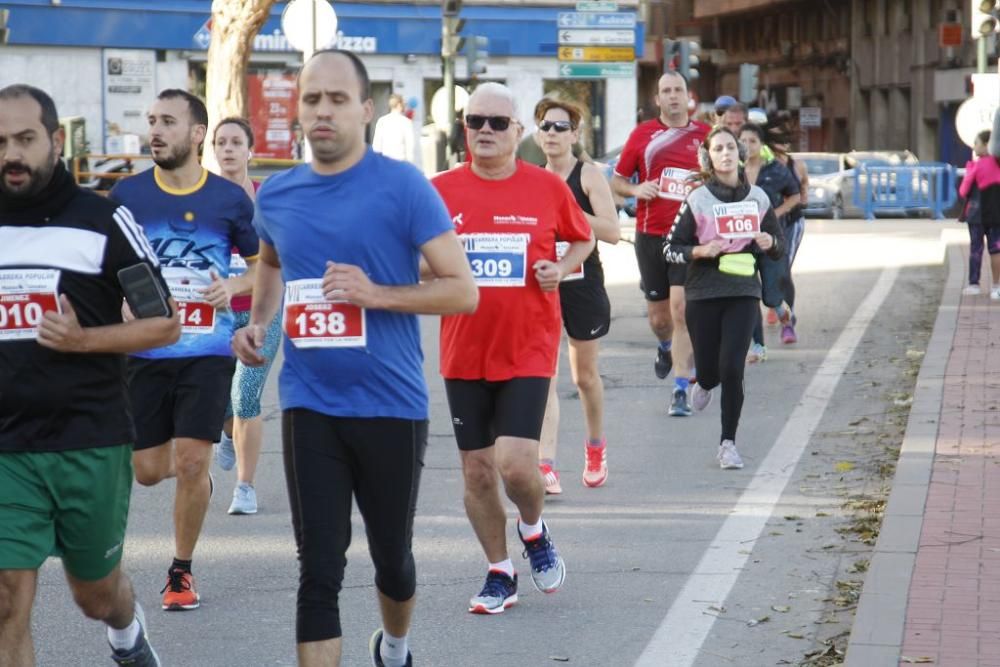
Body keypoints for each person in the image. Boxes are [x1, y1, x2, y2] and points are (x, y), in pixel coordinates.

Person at [232, 50, 477, 667]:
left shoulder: (403, 188)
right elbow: (271, 261)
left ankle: (394, 647)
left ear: (366, 110)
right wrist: (259, 324)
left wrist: (376, 294)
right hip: (311, 405)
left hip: (392, 406)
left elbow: (462, 290)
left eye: (337, 100)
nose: (322, 111)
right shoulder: (279, 195)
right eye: (312, 98)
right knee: (318, 568)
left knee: (392, 558)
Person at [0, 84, 179, 666]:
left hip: (90, 439)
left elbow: (164, 326)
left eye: (25, 139)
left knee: (95, 595)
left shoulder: (104, 220)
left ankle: (126, 632)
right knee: (6, 602)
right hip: (7, 444)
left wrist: (83, 341)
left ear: (55, 141)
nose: (12, 154)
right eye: (0, 142)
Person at [432, 82, 594, 614]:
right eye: (475, 121)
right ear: (464, 128)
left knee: (517, 464)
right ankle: (500, 572)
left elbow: (583, 239)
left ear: (517, 132)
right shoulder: (439, 192)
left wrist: (561, 267)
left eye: (497, 123)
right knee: (477, 470)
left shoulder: (546, 188)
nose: (485, 130)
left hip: (528, 345)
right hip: (463, 351)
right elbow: (413, 258)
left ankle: (533, 528)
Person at [109, 89, 259, 611]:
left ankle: (181, 571)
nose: (155, 130)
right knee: (150, 469)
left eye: (167, 122)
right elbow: (103, 270)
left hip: (207, 351)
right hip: (146, 352)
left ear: (197, 134)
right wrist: (119, 310)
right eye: (151, 120)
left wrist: (234, 288)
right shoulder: (126, 195)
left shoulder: (228, 199)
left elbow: (265, 265)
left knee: (193, 459)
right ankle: (196, 481)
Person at [663, 126, 784, 469]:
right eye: (718, 148)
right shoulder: (698, 199)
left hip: (743, 290)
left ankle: (727, 443)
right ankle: (703, 380)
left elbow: (779, 248)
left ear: (741, 154)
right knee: (712, 370)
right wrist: (699, 250)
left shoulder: (758, 198)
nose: (727, 153)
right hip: (702, 292)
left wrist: (769, 243)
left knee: (733, 367)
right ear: (709, 157)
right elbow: (669, 249)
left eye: (732, 147)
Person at [533, 97, 620, 493]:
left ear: (574, 134)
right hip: (544, 284)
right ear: (536, 134)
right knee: (544, 376)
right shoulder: (532, 179)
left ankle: (596, 446)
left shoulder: (588, 175)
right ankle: (546, 465)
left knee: (583, 377)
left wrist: (567, 209)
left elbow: (612, 231)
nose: (552, 134)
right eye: (545, 127)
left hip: (582, 283)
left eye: (560, 127)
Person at [612, 71, 710, 417]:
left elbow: (723, 178)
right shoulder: (642, 135)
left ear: (688, 97)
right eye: (665, 91)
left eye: (678, 90)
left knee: (681, 310)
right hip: (650, 234)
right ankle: (665, 346)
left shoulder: (705, 136)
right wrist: (636, 190)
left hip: (688, 236)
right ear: (657, 99)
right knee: (659, 317)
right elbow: (618, 181)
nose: (672, 96)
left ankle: (680, 389)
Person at [210, 117, 281, 515]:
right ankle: (227, 434)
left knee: (245, 394)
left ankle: (245, 487)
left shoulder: (265, 200)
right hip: (216, 315)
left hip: (261, 312)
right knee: (219, 401)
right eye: (222, 142)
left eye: (237, 141)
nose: (229, 148)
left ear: (249, 151)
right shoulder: (201, 199)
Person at [738, 123, 799, 362]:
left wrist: (778, 212)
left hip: (771, 239)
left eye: (752, 141)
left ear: (761, 144)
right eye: (743, 140)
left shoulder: (775, 169)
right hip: (743, 242)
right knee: (751, 293)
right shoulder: (733, 171)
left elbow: (794, 195)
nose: (747, 145)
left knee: (772, 294)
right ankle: (758, 345)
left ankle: (785, 316)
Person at [958, 129, 1000, 298]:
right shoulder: (998, 163)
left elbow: (963, 191)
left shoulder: (978, 165)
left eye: (976, 143)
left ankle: (974, 284)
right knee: (996, 249)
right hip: (997, 214)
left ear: (985, 145)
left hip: (977, 215)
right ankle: (996, 287)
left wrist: (969, 171)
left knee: (976, 248)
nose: (974, 146)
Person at [372, 93, 416, 164]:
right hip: (400, 163)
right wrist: (410, 165)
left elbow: (376, 146)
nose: (405, 106)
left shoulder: (382, 121)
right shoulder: (406, 122)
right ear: (399, 105)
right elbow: (410, 146)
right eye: (403, 104)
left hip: (385, 163)